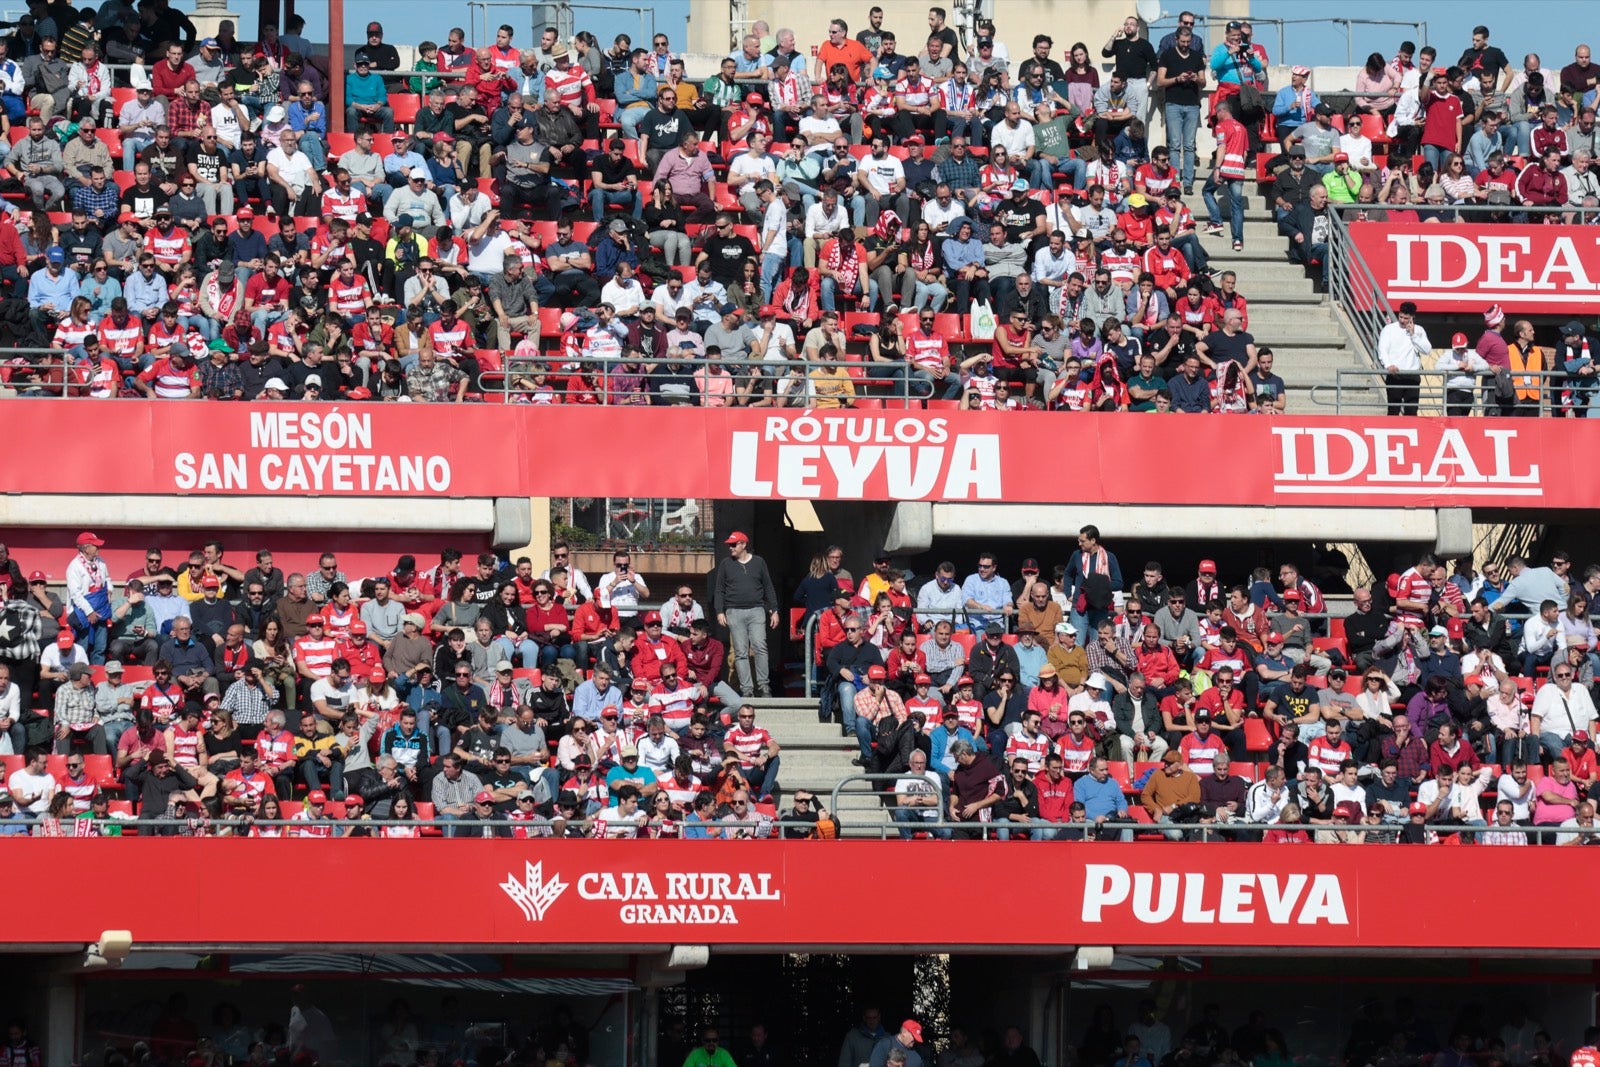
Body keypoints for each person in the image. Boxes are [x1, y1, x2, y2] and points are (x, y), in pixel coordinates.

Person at [713, 531, 778, 699]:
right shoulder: (726, 564)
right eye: (729, 545)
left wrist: (774, 609)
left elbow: (768, 586)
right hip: (733, 611)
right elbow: (719, 589)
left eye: (733, 545)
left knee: (760, 646)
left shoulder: (759, 562)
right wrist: (720, 611)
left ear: (743, 544)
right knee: (740, 651)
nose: (730, 548)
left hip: (757, 610)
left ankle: (764, 686)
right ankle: (747, 689)